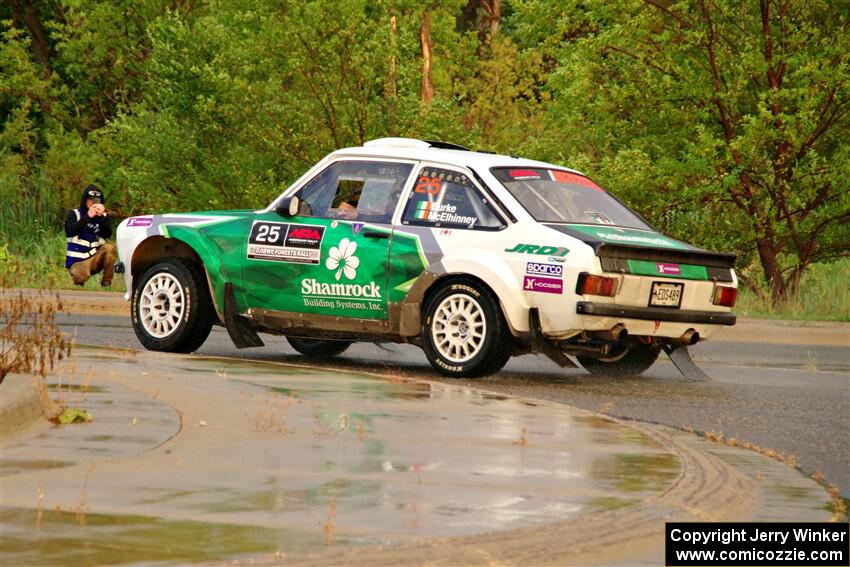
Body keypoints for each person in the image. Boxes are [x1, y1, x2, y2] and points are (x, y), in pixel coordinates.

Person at [65, 184, 117, 287]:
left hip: (95, 257)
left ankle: (107, 281)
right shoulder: (74, 214)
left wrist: (101, 217)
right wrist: (88, 216)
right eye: (90, 199)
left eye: (97, 200)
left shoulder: (103, 217)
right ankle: (78, 283)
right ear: (85, 200)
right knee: (81, 276)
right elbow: (70, 231)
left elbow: (107, 233)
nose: (93, 202)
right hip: (78, 261)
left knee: (109, 248)